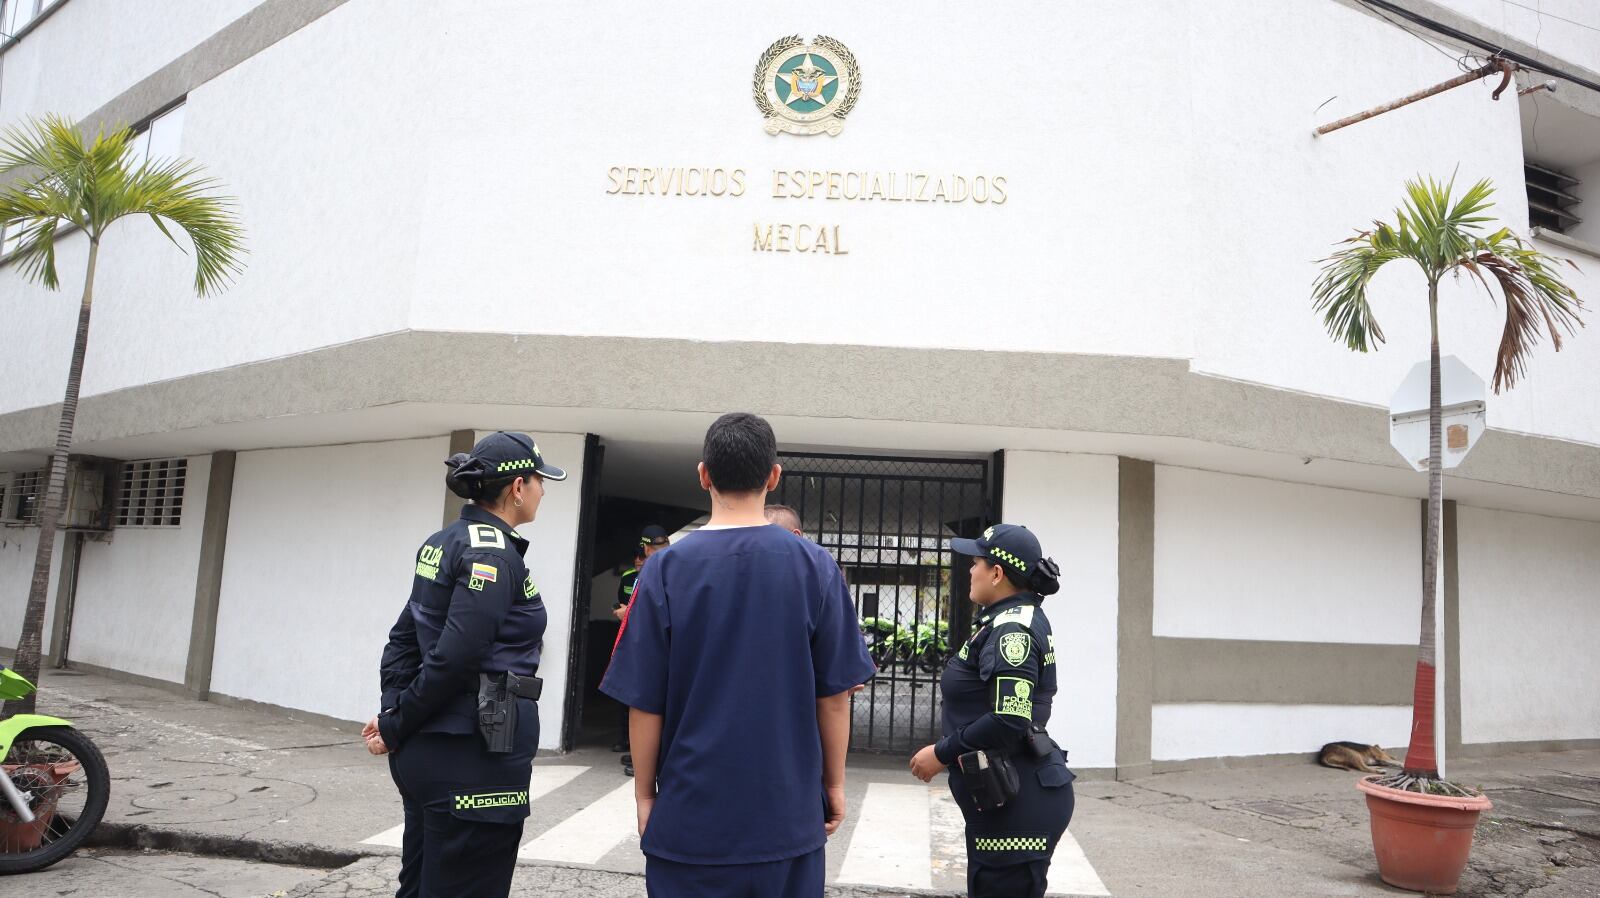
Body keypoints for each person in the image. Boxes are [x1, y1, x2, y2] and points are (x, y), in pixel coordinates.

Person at [602, 413, 876, 898]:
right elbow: (834, 696)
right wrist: (834, 787)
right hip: (787, 817)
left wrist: (646, 795)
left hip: (690, 818)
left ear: (703, 474)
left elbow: (644, 700)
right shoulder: (815, 567)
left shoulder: (664, 570)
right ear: (774, 476)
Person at [362, 431, 565, 898]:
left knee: (421, 888)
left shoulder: (444, 541)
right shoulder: (492, 553)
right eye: (539, 480)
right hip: (472, 757)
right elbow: (455, 656)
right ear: (517, 487)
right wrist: (395, 726)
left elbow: (402, 641)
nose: (543, 490)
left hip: (440, 752)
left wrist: (397, 715)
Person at [908, 524, 1073, 898]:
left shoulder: (1012, 629)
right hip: (1004, 798)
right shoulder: (1006, 620)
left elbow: (1009, 718)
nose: (970, 570)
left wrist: (941, 753)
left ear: (996, 573)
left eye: (976, 562)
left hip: (1017, 804)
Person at [612, 525, 670, 761]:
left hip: (648, 646)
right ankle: (639, 755)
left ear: (645, 548)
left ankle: (645, 760)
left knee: (642, 701)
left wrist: (626, 614)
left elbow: (650, 613)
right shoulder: (672, 567)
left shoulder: (653, 571)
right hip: (658, 646)